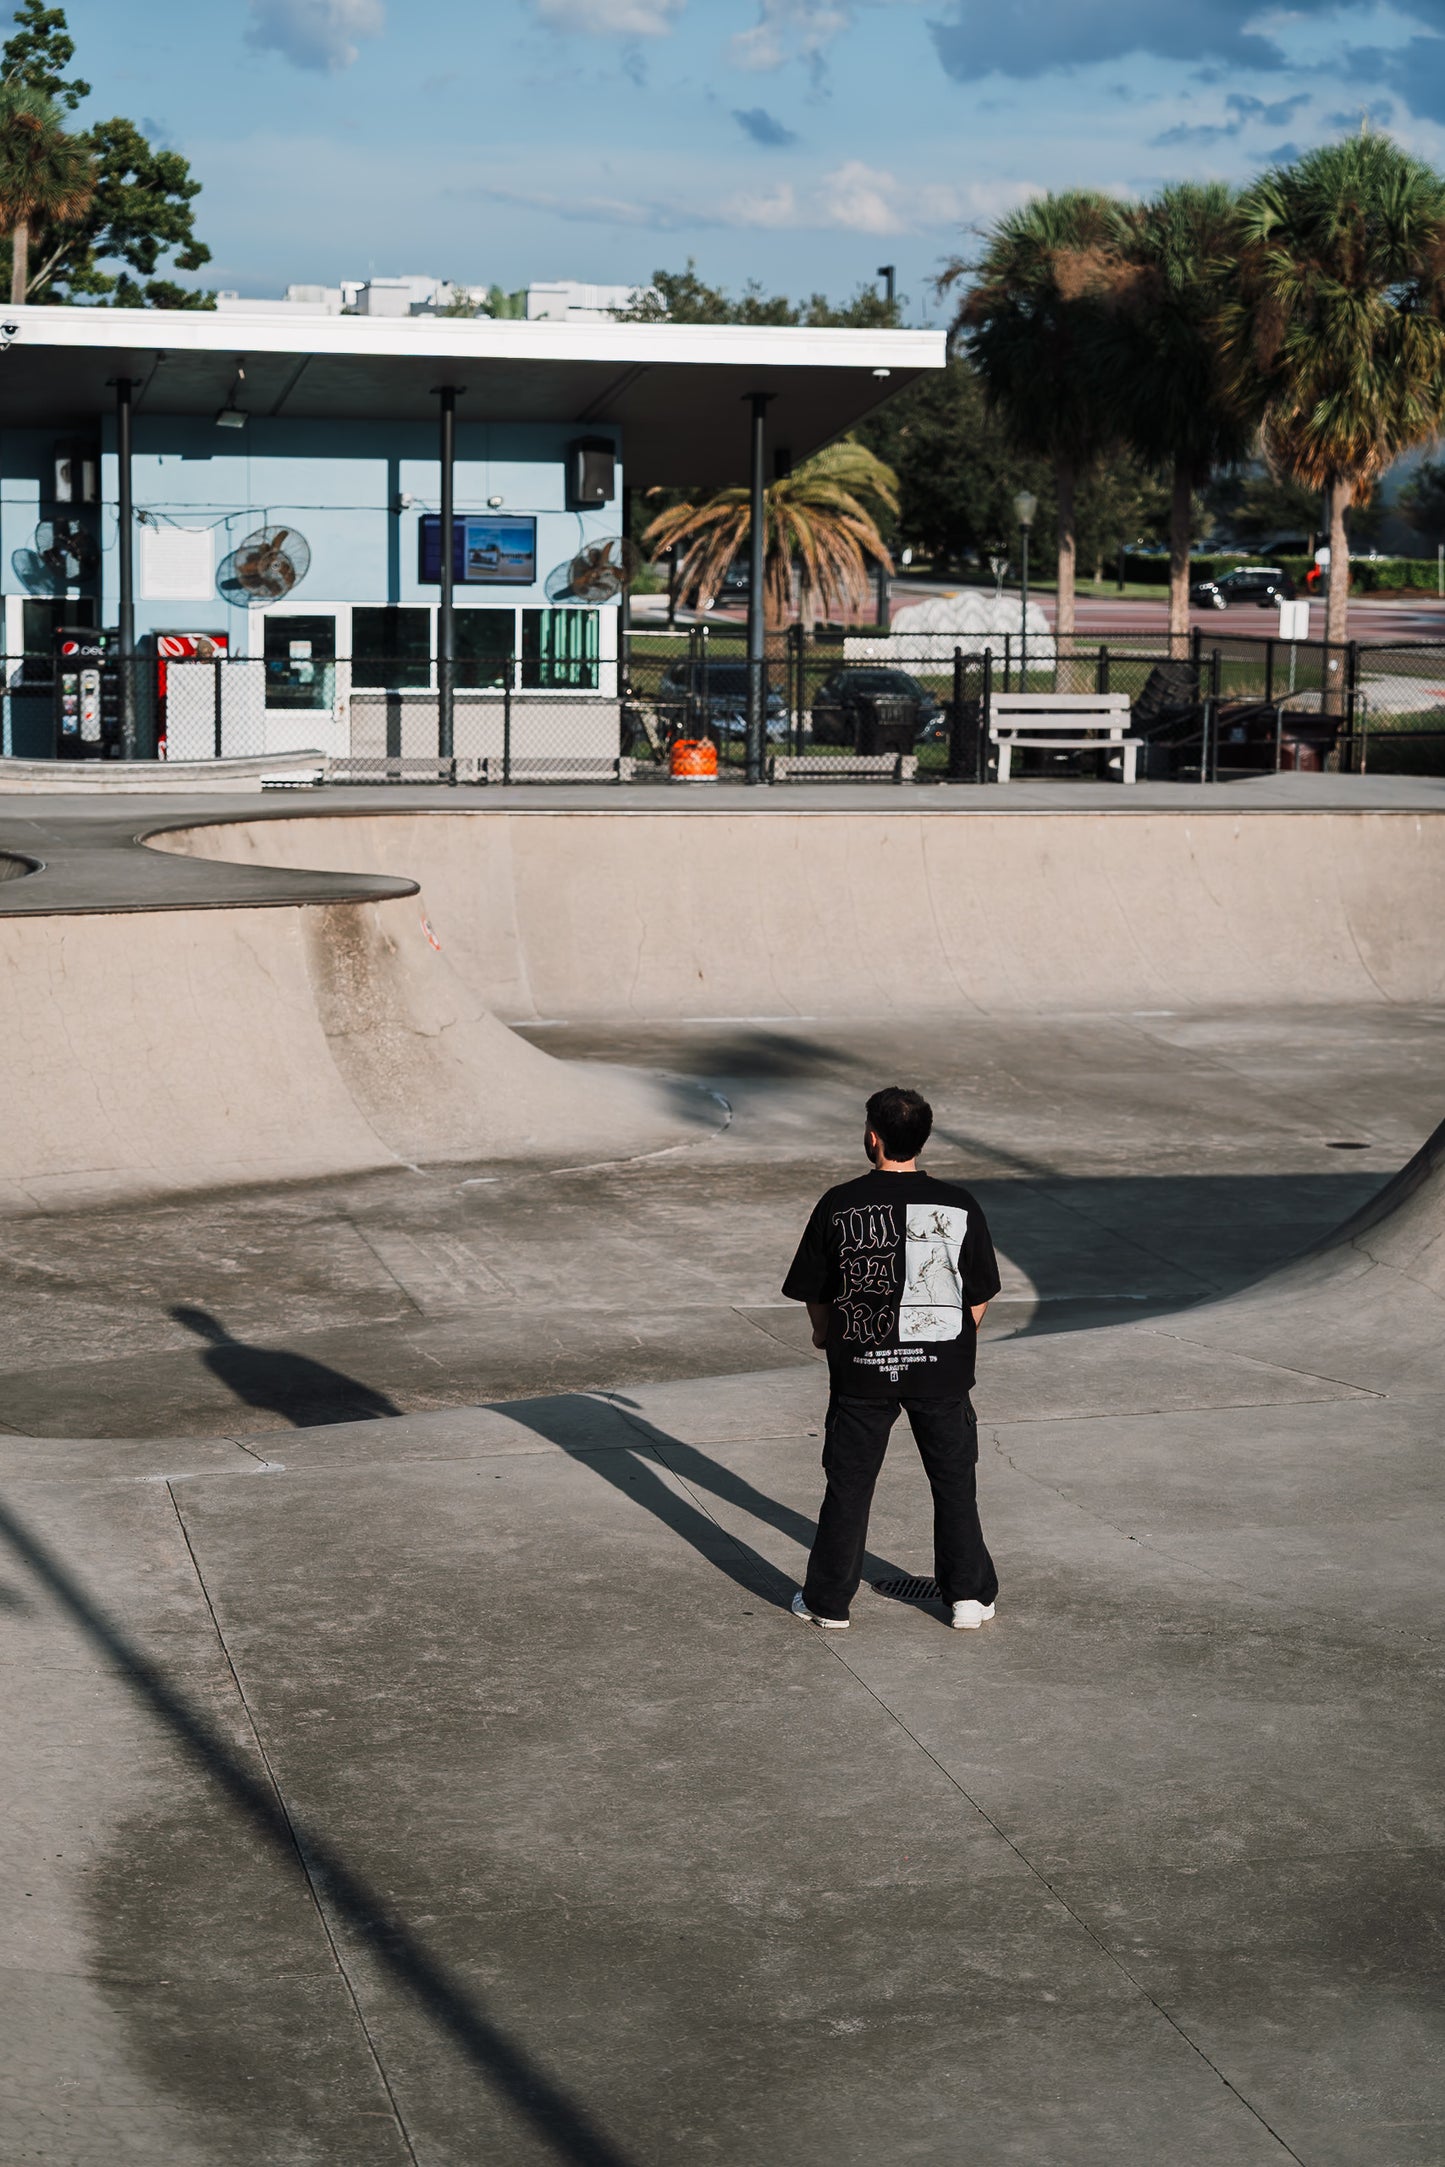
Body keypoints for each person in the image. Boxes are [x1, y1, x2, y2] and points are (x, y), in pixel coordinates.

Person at [781, 1086, 1001, 1632]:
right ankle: (968, 1598)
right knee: (954, 1483)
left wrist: (824, 1333)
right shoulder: (959, 1204)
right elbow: (978, 1293)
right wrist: (954, 1340)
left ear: (873, 1137)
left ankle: (828, 1602)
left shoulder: (839, 1203)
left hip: (863, 1368)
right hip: (941, 1370)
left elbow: (815, 1289)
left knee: (849, 1486)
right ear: (922, 1139)